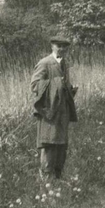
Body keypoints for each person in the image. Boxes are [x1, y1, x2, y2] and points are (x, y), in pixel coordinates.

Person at [31, 36, 78, 180]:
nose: (62, 49)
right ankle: (46, 182)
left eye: (65, 46)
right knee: (49, 144)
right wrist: (58, 84)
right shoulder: (45, 63)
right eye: (59, 46)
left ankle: (58, 180)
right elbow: (35, 85)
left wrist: (70, 90)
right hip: (49, 113)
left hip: (62, 113)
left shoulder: (65, 63)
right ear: (52, 46)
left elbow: (64, 86)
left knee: (61, 146)